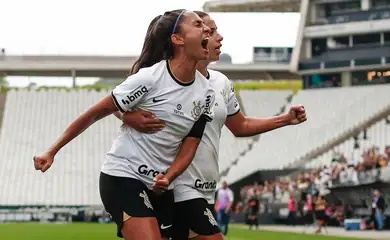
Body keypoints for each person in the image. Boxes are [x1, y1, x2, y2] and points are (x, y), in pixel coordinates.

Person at [115, 10, 307, 240]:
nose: (218, 36)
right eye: (210, 30)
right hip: (179, 186)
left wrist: (284, 119)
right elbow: (115, 102)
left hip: (205, 189)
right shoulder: (165, 78)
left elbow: (240, 126)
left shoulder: (220, 82)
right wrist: (126, 116)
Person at [33, 9, 215, 240]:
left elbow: (190, 144)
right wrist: (52, 151)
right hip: (122, 176)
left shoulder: (207, 92)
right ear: (177, 39)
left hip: (160, 185)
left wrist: (169, 177)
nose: (207, 29)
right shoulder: (149, 78)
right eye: (198, 25)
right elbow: (94, 114)